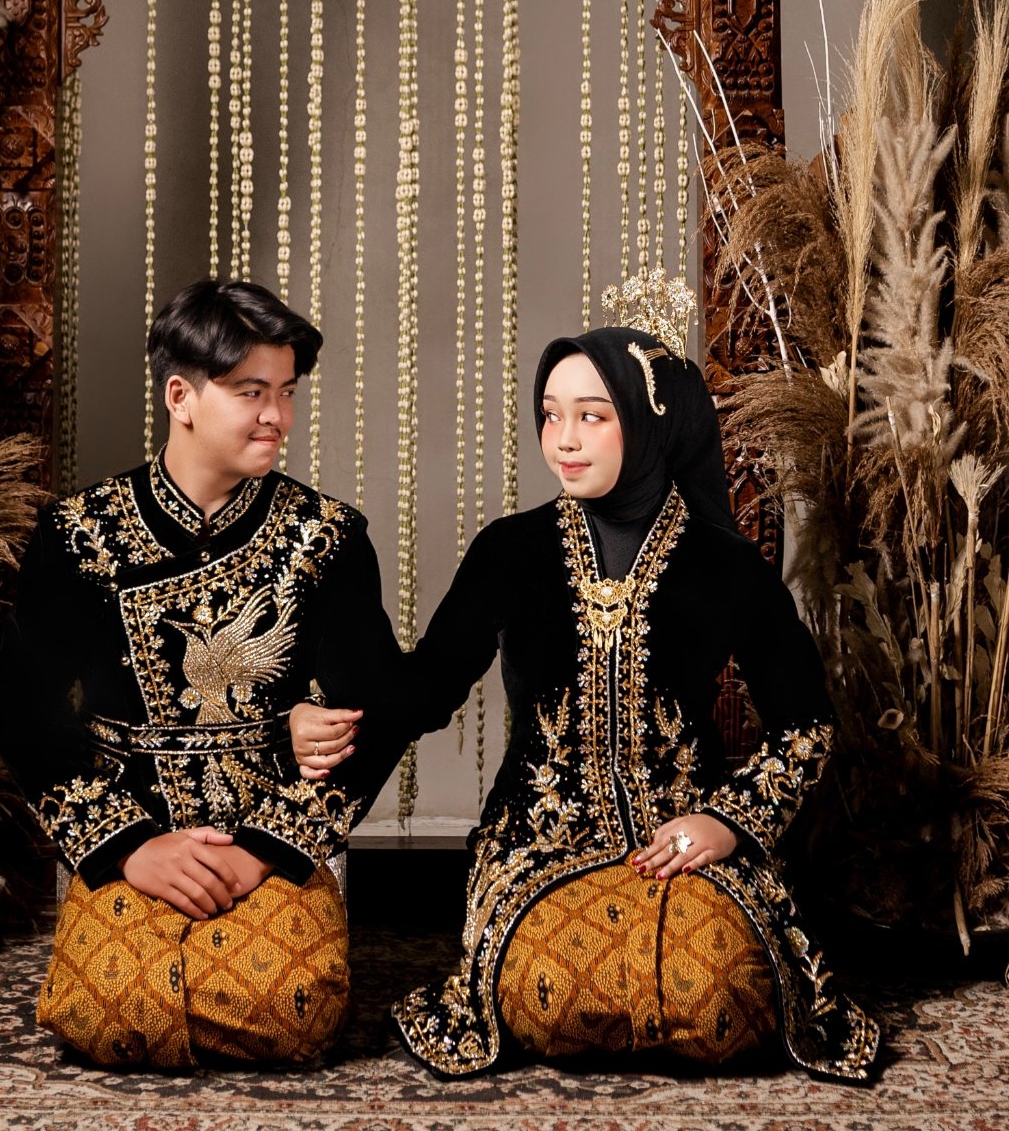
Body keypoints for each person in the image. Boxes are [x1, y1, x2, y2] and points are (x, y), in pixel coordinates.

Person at [292, 299, 880, 1084]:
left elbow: (805, 724)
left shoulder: (725, 565)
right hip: (537, 846)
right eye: (550, 415)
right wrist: (307, 707)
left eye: (592, 417)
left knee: (713, 996)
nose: (563, 440)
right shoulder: (511, 551)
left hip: (682, 844)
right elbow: (422, 691)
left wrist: (726, 822)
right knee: (547, 996)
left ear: (651, 422)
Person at [0, 277, 402, 1070]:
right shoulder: (79, 535)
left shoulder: (327, 538)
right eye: (252, 392)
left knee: (286, 1009)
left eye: (286, 392)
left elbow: (374, 713)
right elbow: (24, 711)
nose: (277, 416)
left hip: (268, 843)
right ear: (180, 396)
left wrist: (258, 851)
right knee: (103, 1010)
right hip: (133, 838)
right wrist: (132, 848)